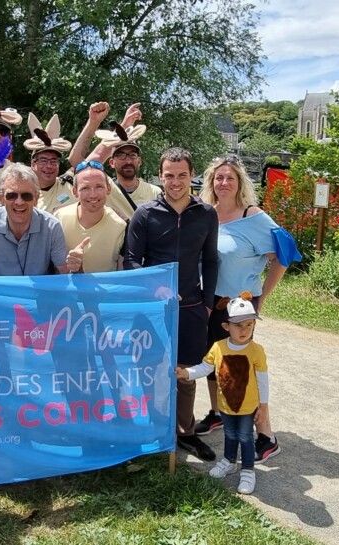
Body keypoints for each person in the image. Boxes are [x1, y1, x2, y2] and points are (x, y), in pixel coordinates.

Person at [194, 156, 300, 463]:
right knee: (214, 358)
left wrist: (263, 297)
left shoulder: (253, 216)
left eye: (230, 178)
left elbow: (284, 254)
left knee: (242, 369)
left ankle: (265, 435)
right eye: (218, 178)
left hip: (241, 302)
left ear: (240, 183)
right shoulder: (207, 215)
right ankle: (216, 412)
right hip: (212, 301)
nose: (223, 183)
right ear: (210, 183)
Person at [125, 147, 218, 461]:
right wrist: (156, 287)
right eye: (169, 175)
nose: (175, 182)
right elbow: (131, 261)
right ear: (159, 176)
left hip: (191, 307)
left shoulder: (207, 214)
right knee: (150, 371)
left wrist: (206, 303)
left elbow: (211, 259)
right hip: (152, 308)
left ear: (192, 175)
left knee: (185, 373)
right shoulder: (145, 213)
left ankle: (186, 433)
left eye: (182, 175)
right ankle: (152, 430)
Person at [175, 296, 268, 495]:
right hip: (225, 405)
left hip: (247, 406)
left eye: (249, 325)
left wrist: (263, 406)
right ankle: (229, 461)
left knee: (245, 436)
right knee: (230, 434)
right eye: (238, 325)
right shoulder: (218, 347)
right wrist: (186, 373)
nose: (244, 330)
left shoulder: (256, 351)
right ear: (226, 326)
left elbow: (263, 380)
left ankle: (248, 470)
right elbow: (204, 368)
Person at [0, 163, 72, 276]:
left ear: (36, 199)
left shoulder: (51, 226)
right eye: (11, 195)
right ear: (1, 198)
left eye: (26, 196)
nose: (19, 202)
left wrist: (76, 266)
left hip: (37, 293)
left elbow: (64, 271)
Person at [56, 160, 126, 273]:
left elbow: (123, 271)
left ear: (108, 189)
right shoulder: (59, 218)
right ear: (74, 192)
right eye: (85, 188)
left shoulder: (121, 226)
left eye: (99, 187)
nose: (93, 195)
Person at [23, 113, 75, 214]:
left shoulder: (70, 183)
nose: (49, 166)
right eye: (43, 161)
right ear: (33, 164)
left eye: (53, 161)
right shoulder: (25, 195)